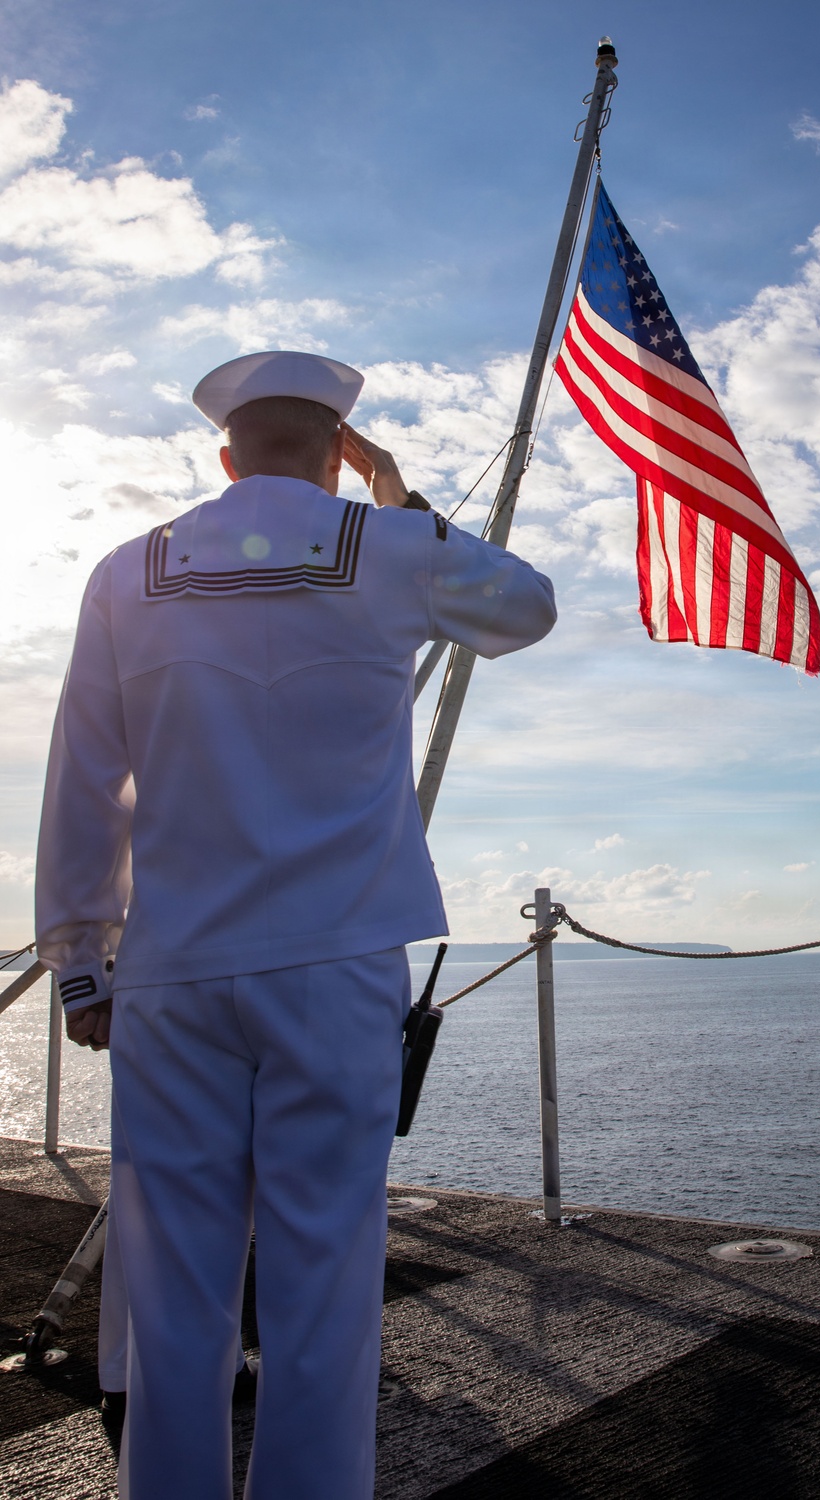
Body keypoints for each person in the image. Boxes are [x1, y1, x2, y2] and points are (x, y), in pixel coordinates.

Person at [34, 350, 556, 1500]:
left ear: (225, 459)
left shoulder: (127, 573)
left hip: (171, 971)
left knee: (172, 1285)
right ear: (336, 456)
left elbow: (85, 779)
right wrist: (398, 495)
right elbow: (525, 608)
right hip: (335, 963)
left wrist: (78, 963)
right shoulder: (390, 546)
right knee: (325, 1277)